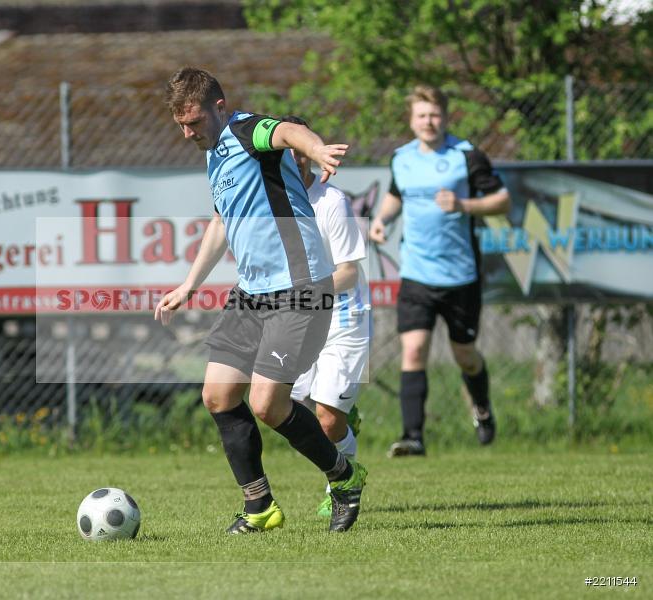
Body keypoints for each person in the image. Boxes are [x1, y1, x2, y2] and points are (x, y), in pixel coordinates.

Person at [155, 67, 363, 533]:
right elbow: (220, 222)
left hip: (299, 287)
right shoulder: (213, 155)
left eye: (195, 122)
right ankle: (260, 506)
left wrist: (317, 149)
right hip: (252, 294)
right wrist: (189, 285)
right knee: (217, 394)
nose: (189, 133)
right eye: (181, 125)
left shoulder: (249, 131)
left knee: (269, 404)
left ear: (220, 107)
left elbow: (289, 131)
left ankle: (344, 476)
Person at [369, 85, 511, 457]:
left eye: (434, 115)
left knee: (465, 354)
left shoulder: (467, 156)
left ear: (445, 117)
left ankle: (481, 406)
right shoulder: (401, 158)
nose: (428, 122)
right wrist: (382, 219)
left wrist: (463, 204)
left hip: (461, 274)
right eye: (421, 115)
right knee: (413, 350)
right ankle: (413, 437)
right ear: (411, 120)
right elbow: (397, 195)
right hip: (416, 273)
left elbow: (502, 200)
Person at [283, 115, 370, 518]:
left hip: (343, 320)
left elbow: (349, 272)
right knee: (289, 408)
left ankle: (343, 479)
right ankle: (342, 424)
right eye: (286, 153)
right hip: (303, 322)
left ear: (311, 156)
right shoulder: (276, 203)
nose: (294, 160)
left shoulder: (332, 201)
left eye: (301, 153)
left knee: (325, 419)